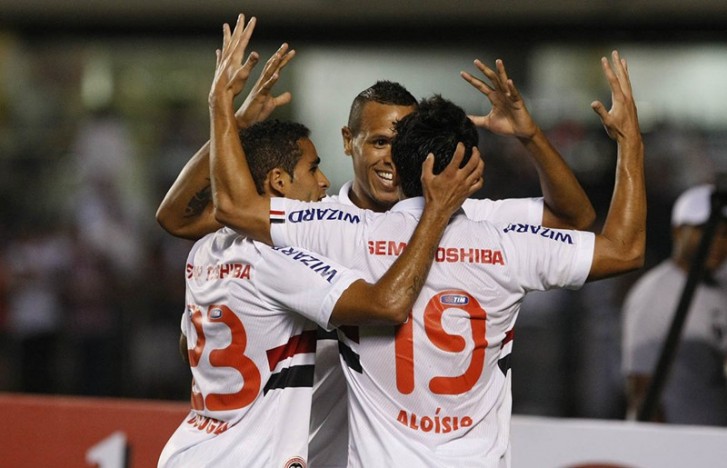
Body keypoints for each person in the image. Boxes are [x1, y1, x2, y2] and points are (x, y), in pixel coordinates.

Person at [156, 22, 597, 467]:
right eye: (380, 142)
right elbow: (183, 218)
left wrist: (530, 137)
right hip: (301, 453)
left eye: (402, 143)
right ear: (349, 142)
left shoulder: (464, 218)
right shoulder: (312, 225)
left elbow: (573, 217)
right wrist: (233, 124)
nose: (391, 157)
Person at [622, 183, 727, 426]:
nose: (717, 241)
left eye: (725, 233)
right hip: (679, 444)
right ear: (678, 231)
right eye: (705, 230)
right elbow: (641, 389)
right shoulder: (656, 292)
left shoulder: (721, 285)